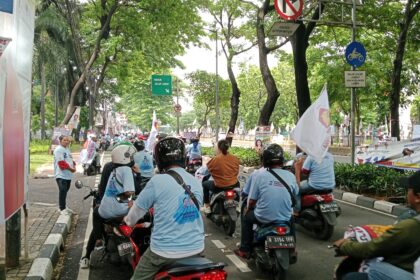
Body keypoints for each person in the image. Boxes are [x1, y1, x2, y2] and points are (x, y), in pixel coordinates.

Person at [124, 137, 204, 280]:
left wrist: (128, 221)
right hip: (197, 247)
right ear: (183, 157)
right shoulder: (195, 181)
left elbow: (134, 214)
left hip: (163, 251)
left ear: (159, 160)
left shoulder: (157, 181)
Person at [334, 170, 420, 280]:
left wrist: (344, 245)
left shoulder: (411, 225)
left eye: (408, 190)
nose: (406, 193)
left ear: (417, 197)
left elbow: (372, 249)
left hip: (407, 273)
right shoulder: (409, 218)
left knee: (352, 277)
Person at [234, 144, 298, 259]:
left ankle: (244, 249)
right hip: (284, 216)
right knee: (291, 218)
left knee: (247, 217)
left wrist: (248, 209)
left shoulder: (260, 175)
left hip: (263, 216)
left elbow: (252, 200)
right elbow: (295, 194)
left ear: (265, 160)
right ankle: (293, 249)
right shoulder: (290, 176)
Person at [80, 143, 137, 269]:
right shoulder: (128, 169)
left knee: (96, 215)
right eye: (131, 156)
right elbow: (132, 192)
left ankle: (90, 251)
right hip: (124, 209)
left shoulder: (111, 168)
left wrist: (106, 199)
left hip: (111, 209)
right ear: (125, 157)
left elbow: (104, 187)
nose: (133, 159)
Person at [202, 139, 240, 214]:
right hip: (233, 184)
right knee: (238, 187)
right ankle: (237, 205)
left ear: (218, 148)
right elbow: (236, 171)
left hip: (219, 186)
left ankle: (207, 206)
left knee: (205, 184)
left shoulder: (215, 159)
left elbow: (207, 170)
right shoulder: (235, 158)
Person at [53, 135, 76, 214]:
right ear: (60, 141)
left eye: (68, 140)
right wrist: (71, 169)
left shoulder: (67, 149)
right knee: (62, 190)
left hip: (68, 175)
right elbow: (61, 163)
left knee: (65, 191)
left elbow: (70, 160)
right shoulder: (58, 150)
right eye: (64, 140)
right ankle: (62, 208)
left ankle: (64, 206)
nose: (67, 142)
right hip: (61, 174)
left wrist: (74, 166)